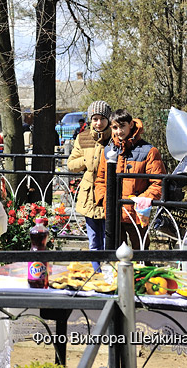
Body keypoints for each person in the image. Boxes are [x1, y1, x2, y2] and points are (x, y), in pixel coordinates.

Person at [94, 109, 166, 250]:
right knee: (114, 254)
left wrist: (141, 200)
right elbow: (101, 179)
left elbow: (158, 183)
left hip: (137, 213)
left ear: (131, 125)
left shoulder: (149, 151)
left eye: (122, 126)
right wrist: (104, 200)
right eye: (115, 127)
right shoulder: (108, 151)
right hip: (113, 212)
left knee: (141, 253)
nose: (119, 131)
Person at [67, 101, 112, 269]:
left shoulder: (115, 138)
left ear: (108, 120)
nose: (98, 123)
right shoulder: (83, 137)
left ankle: (110, 274)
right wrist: (86, 160)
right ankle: (96, 273)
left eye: (102, 119)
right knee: (94, 240)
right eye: (95, 119)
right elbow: (71, 164)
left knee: (110, 239)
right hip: (89, 195)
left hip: (108, 193)